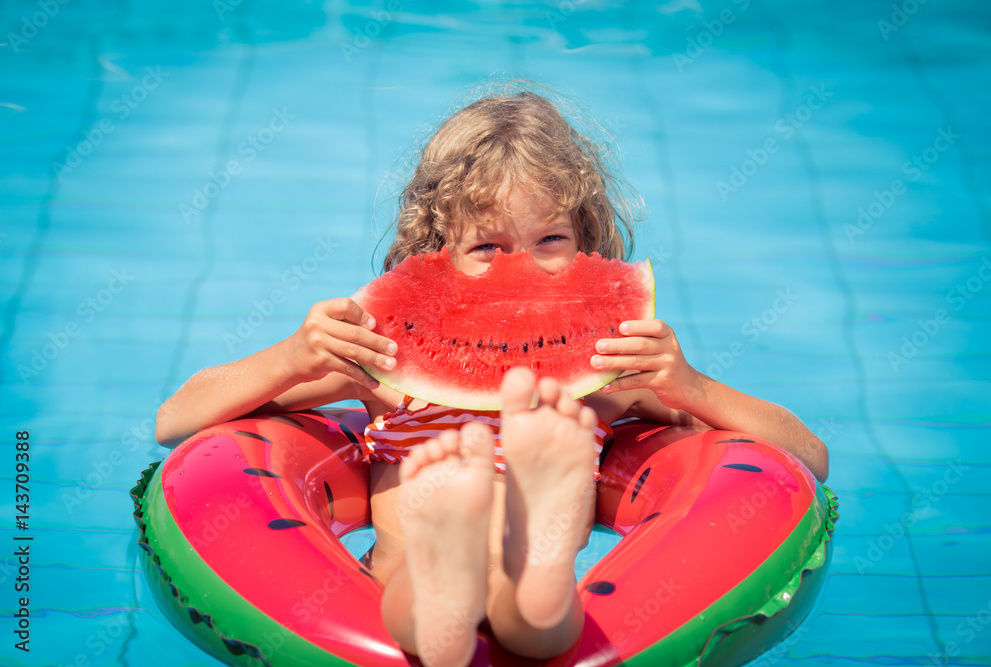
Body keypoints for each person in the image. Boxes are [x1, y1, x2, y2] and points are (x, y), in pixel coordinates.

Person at [155, 84, 828, 667]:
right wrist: (291, 356)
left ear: (588, 242)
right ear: (435, 252)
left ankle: (529, 552)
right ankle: (505, 556)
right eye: (488, 247)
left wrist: (688, 385)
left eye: (551, 242)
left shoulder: (608, 374)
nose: (523, 271)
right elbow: (177, 419)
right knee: (481, 598)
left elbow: (805, 454)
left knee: (499, 600)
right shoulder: (385, 363)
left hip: (445, 579)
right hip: (427, 570)